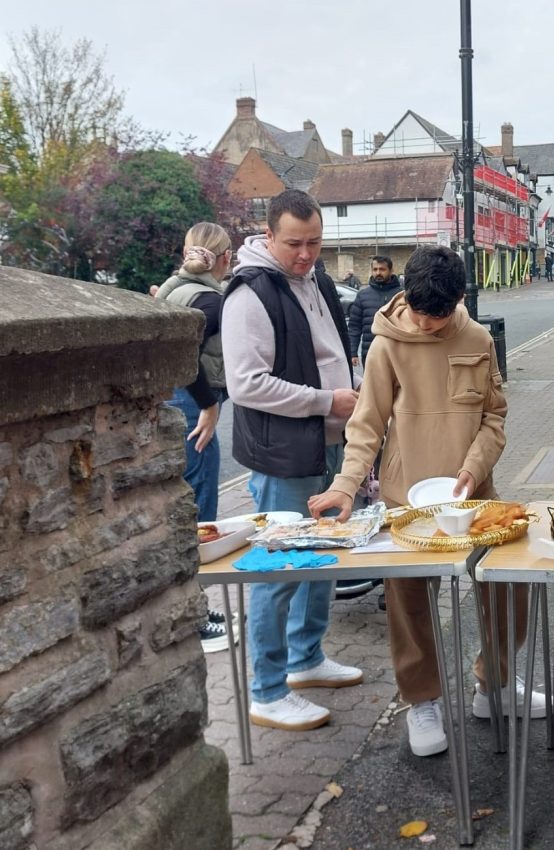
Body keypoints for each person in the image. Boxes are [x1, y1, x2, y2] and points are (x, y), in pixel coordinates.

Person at [308, 245, 545, 758]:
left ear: (458, 301)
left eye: (436, 317)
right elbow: (367, 425)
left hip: (474, 496)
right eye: (418, 313)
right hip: (406, 498)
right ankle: (422, 700)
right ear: (405, 295)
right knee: (408, 600)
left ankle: (494, 684)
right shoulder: (385, 345)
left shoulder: (478, 339)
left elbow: (494, 417)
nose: (425, 324)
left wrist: (473, 467)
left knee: (510, 586)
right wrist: (345, 486)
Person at [221, 189, 363, 732]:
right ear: (268, 236)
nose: (306, 254)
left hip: (327, 442)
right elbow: (246, 384)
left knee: (322, 558)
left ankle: (306, 658)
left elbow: (329, 350)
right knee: (277, 572)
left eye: (315, 243)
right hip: (282, 454)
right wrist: (327, 401)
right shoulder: (250, 293)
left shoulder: (316, 278)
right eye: (294, 244)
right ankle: (267, 690)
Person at [156, 222, 236, 653]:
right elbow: (186, 355)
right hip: (192, 405)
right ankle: (195, 619)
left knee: (186, 503)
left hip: (174, 400)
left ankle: (196, 608)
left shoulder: (175, 289)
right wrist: (208, 405)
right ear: (225, 258)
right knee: (199, 508)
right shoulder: (210, 300)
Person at [348, 255, 404, 367]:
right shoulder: (362, 295)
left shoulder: (402, 295)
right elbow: (354, 326)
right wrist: (352, 352)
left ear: (391, 270)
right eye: (375, 269)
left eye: (382, 269)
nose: (378, 273)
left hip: (397, 354)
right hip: (370, 353)